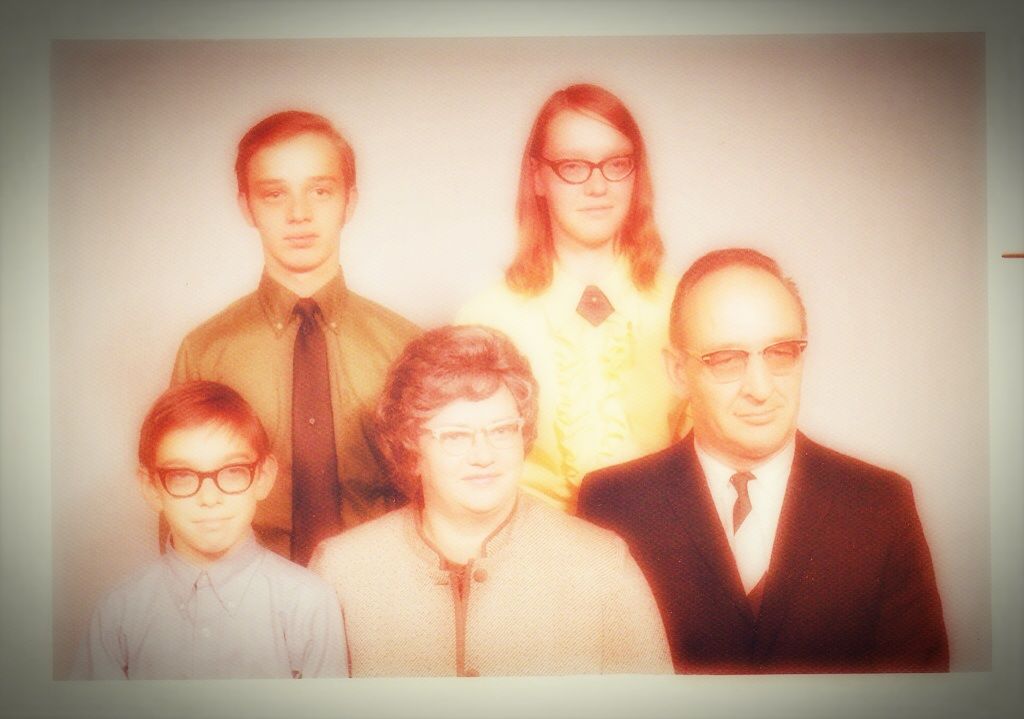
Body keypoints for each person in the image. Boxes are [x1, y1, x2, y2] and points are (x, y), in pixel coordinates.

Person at [577, 248, 949, 674]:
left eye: (780, 353)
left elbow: (921, 694)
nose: (760, 388)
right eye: (726, 360)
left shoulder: (879, 504)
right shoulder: (613, 504)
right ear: (678, 372)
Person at [310, 325, 672, 677]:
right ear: (411, 448)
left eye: (501, 430)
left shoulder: (603, 566)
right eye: (455, 436)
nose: (483, 456)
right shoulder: (342, 570)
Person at [172, 110, 419, 565]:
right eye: (274, 194)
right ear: (247, 207)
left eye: (321, 191)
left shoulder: (404, 347)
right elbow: (180, 507)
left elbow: (429, 498)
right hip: (245, 595)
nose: (299, 214)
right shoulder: (206, 352)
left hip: (379, 590)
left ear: (350, 202)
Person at [456, 83, 684, 513]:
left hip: (663, 537)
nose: (598, 186)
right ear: (538, 177)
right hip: (533, 543)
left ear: (636, 174)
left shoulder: (683, 305)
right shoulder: (485, 320)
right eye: (573, 166)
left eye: (616, 164)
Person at [71, 381, 347, 679]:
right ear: (151, 487)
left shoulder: (309, 603)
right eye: (182, 476)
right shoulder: (117, 614)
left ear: (263, 477)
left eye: (233, 471)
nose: (210, 498)